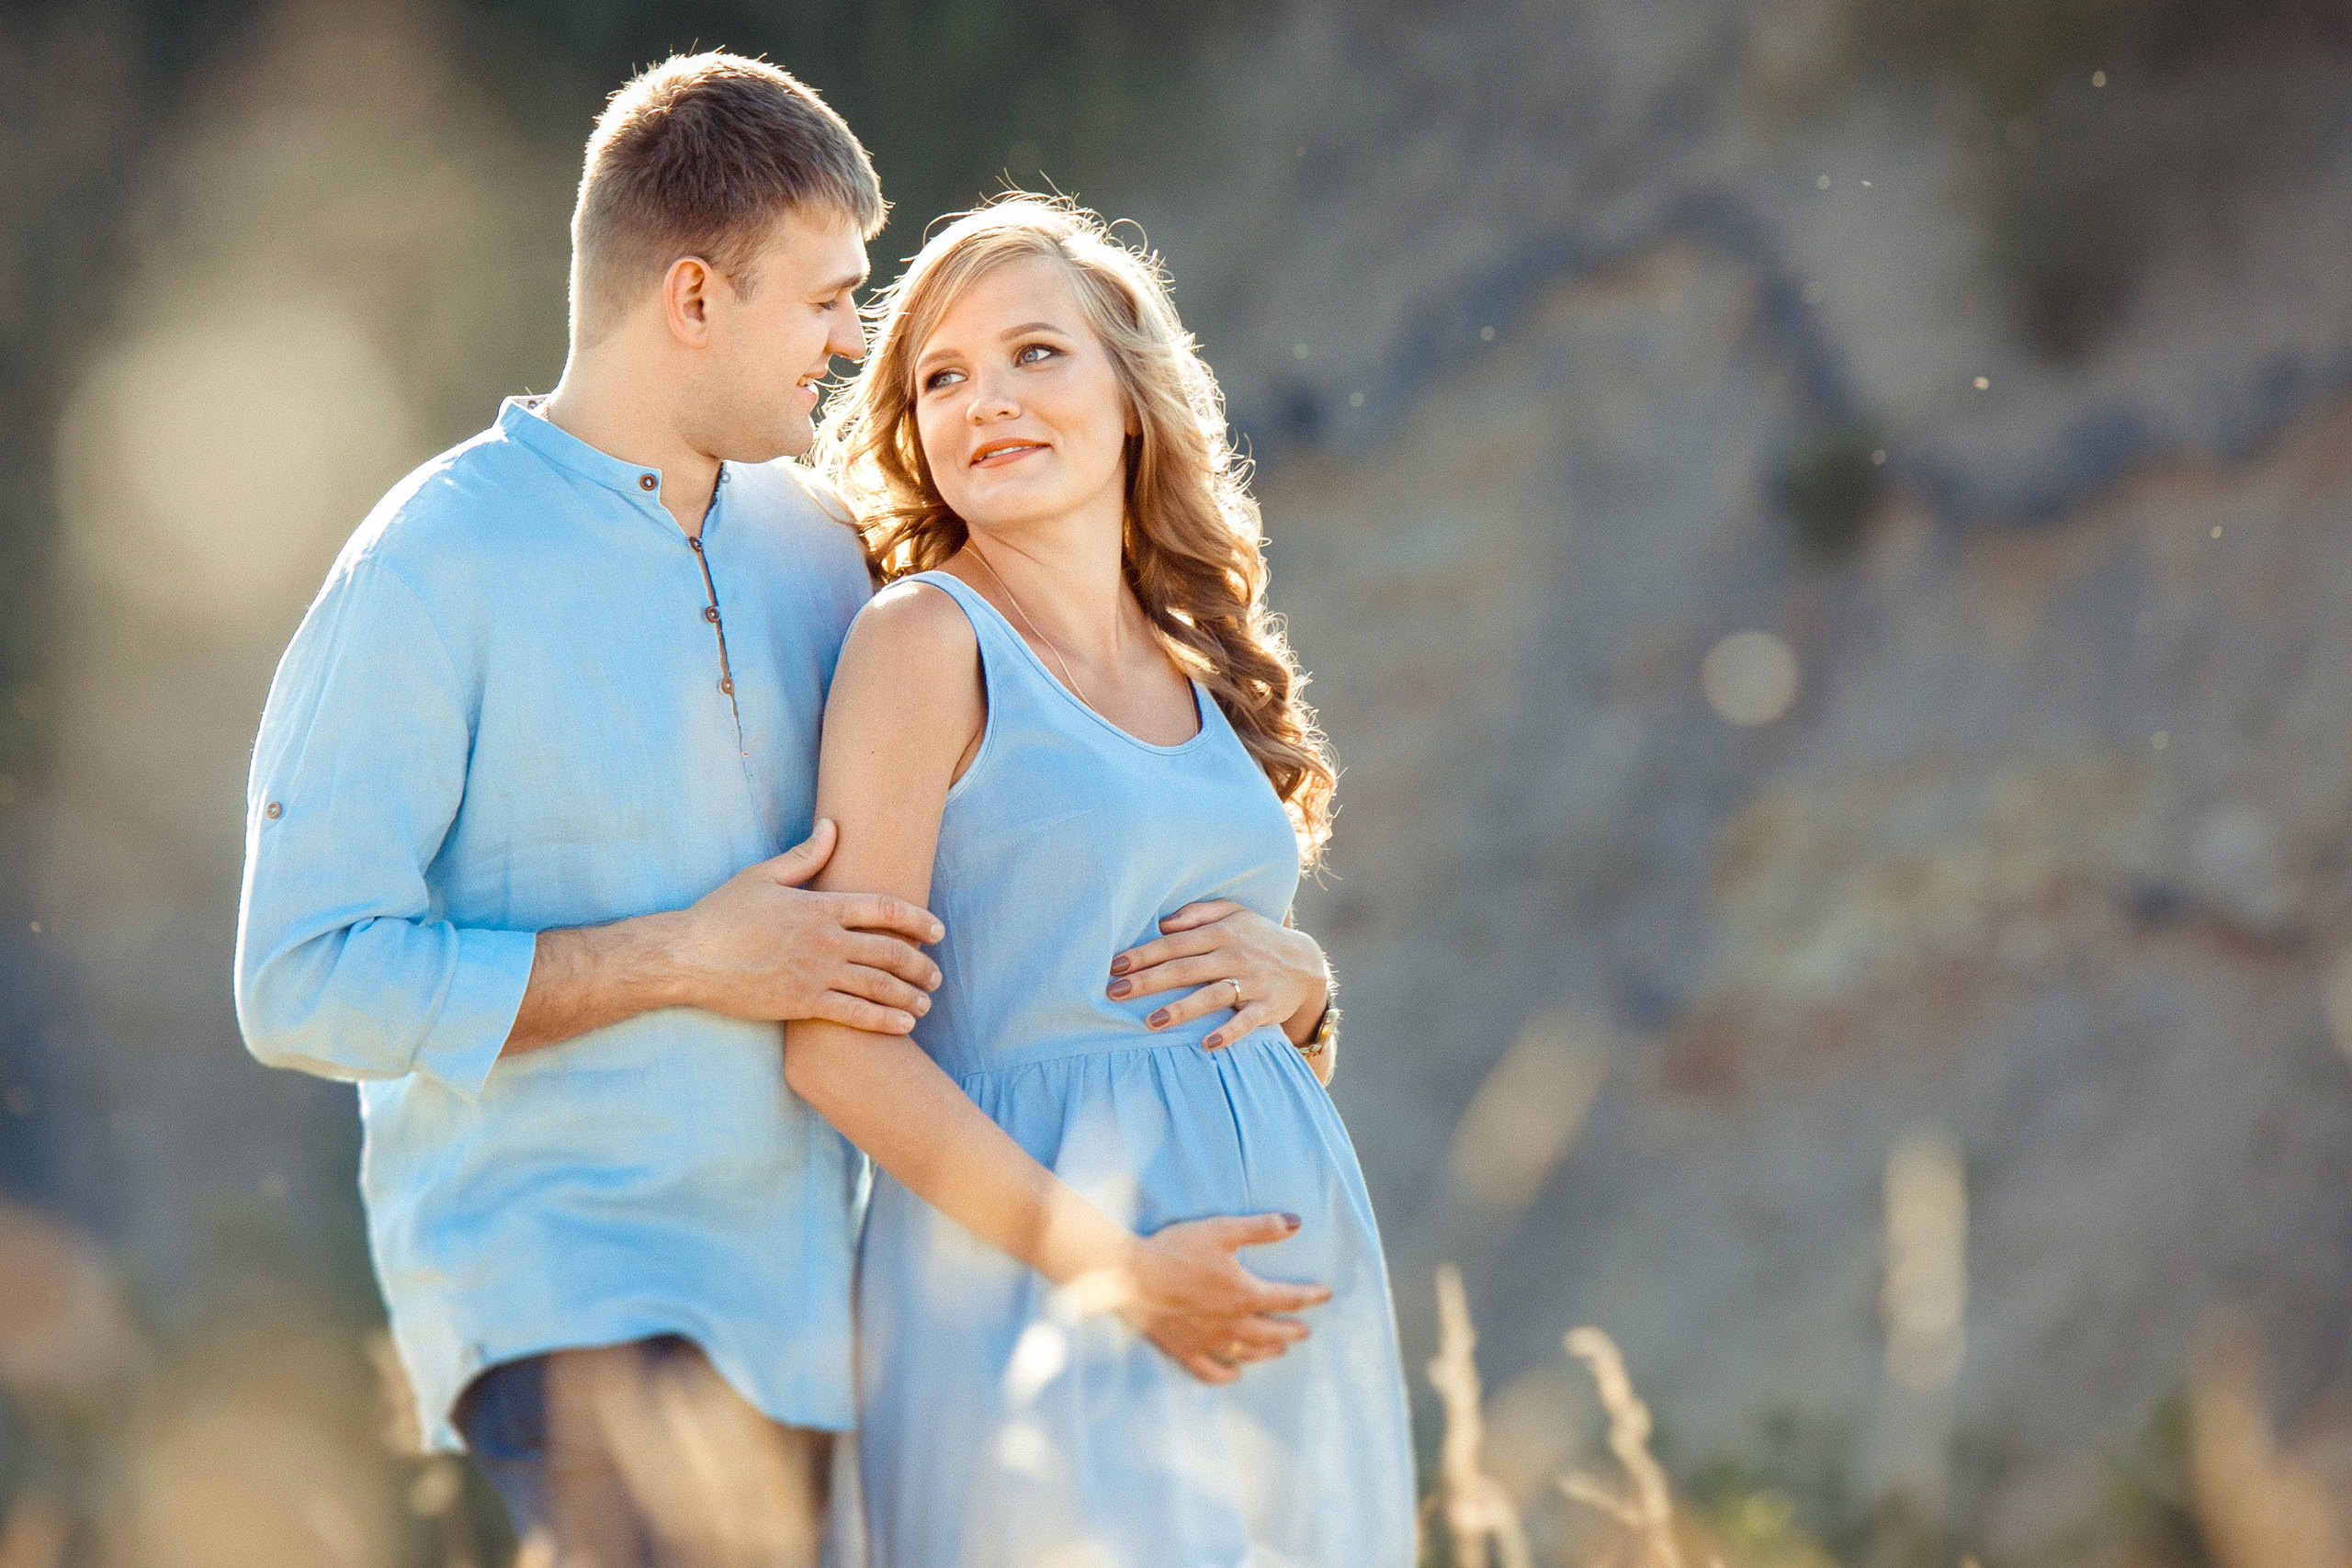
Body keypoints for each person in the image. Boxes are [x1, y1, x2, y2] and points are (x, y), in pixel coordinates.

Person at [233, 56, 1334, 1564]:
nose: (851, 338)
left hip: (827, 1312)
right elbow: (302, 979)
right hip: (577, 1288)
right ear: (695, 297)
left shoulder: (821, 551)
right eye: (825, 298)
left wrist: (1299, 985)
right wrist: (681, 956)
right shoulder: (436, 563)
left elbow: (1031, 849)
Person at [792, 196, 1414, 1567]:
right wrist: (1121, 1274)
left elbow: (1227, 1026)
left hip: (1266, 1323)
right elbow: (837, 1051)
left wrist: (1310, 994)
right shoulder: (924, 644)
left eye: (1034, 355)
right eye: (940, 377)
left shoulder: (1201, 667)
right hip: (1044, 1305)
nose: (987, 401)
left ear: (1131, 397)